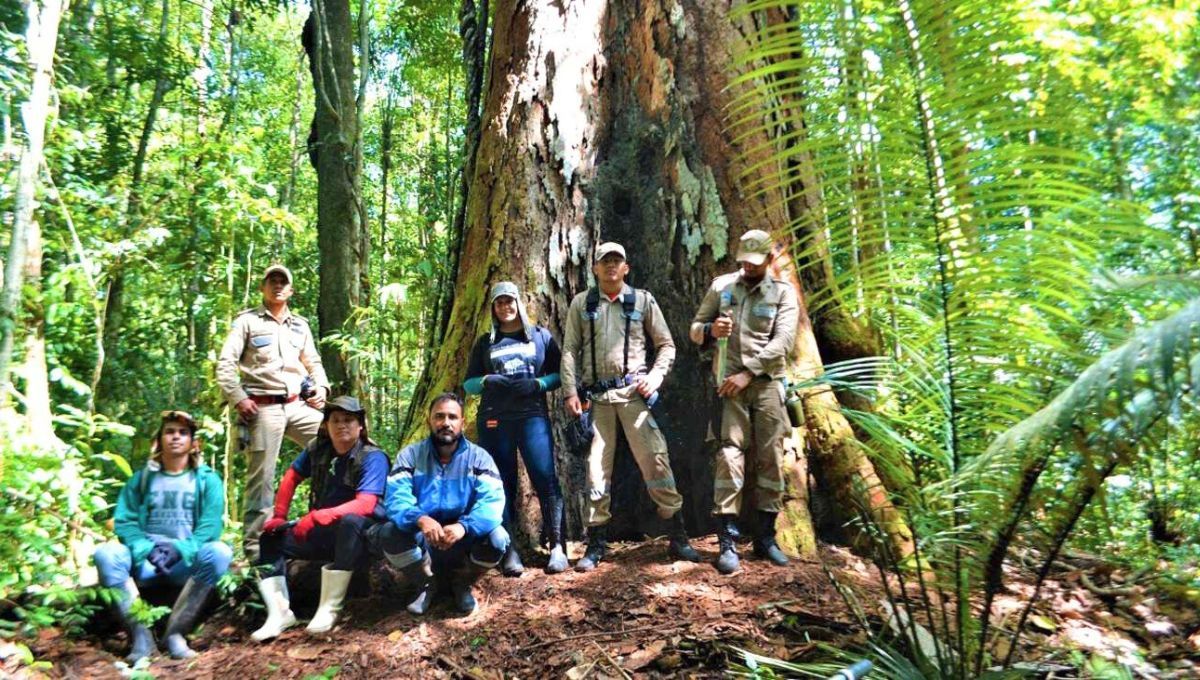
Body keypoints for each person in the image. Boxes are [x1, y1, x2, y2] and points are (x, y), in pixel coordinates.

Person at [560, 242, 700, 572]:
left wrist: (656, 376)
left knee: (656, 460)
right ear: (594, 268)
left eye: (617, 261)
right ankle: (596, 543)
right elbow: (569, 350)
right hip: (598, 399)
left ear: (626, 268)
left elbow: (666, 345)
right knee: (596, 470)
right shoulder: (583, 304)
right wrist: (569, 391)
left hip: (635, 394)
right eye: (604, 261)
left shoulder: (642, 300)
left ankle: (677, 535)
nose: (611, 266)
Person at [689, 230, 799, 574]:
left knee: (771, 459)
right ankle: (727, 541)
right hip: (727, 388)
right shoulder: (722, 287)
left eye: (754, 263)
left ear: (768, 261)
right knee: (729, 459)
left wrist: (748, 373)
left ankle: (766, 538)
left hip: (765, 386)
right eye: (743, 263)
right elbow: (694, 327)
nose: (747, 268)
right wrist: (710, 332)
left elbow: (784, 341)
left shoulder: (782, 293)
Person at [92, 411, 232, 662]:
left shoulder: (207, 480)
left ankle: (175, 634)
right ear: (159, 439)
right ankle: (141, 638)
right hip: (146, 563)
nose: (176, 437)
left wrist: (180, 549)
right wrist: (146, 549)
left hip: (184, 564)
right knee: (106, 554)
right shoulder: (141, 479)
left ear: (193, 442)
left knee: (220, 552)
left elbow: (210, 527)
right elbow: (125, 521)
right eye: (170, 431)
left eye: (183, 433)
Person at [250, 396, 390, 640]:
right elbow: (292, 476)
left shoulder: (372, 457)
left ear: (360, 426)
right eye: (335, 420)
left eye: (349, 420)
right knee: (270, 538)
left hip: (361, 538)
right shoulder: (318, 448)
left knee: (350, 523)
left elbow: (366, 504)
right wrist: (280, 515)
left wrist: (316, 516)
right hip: (324, 531)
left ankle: (329, 608)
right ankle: (280, 612)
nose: (341, 425)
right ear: (326, 424)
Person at [216, 264, 330, 562]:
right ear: (263, 287)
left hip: (297, 405)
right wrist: (238, 397)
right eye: (272, 281)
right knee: (261, 479)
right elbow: (226, 365)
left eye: (283, 281)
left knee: (333, 442)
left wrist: (321, 387)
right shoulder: (247, 322)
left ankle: (330, 525)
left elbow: (313, 363)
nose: (278, 285)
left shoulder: (299, 325)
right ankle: (256, 552)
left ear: (291, 290)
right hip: (262, 408)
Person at [463, 281, 568, 576]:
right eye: (499, 303)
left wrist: (538, 383)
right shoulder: (486, 342)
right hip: (495, 419)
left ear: (518, 303)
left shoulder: (540, 337)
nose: (505, 307)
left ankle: (558, 546)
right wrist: (485, 382)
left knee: (545, 477)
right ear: (493, 308)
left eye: (510, 301)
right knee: (501, 483)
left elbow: (559, 374)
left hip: (532, 415)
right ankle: (508, 551)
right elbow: (468, 384)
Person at [375, 393, 507, 615]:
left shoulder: (480, 458)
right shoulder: (410, 455)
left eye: (452, 417)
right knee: (389, 533)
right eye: (439, 416)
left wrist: (464, 526)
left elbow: (492, 504)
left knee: (498, 539)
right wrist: (420, 518)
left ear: (463, 423)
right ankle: (426, 582)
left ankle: (462, 583)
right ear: (429, 420)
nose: (446, 423)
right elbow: (396, 498)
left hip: (463, 538)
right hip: (423, 537)